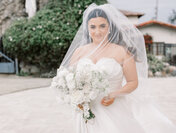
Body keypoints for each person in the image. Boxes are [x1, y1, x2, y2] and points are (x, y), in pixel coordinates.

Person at [57, 3, 176, 133]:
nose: (97, 31)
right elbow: (69, 80)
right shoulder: (79, 52)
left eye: (102, 26)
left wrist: (114, 94)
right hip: (86, 110)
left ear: (109, 27)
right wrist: (77, 99)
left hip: (112, 107)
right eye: (93, 27)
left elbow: (133, 82)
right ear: (87, 28)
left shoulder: (122, 52)